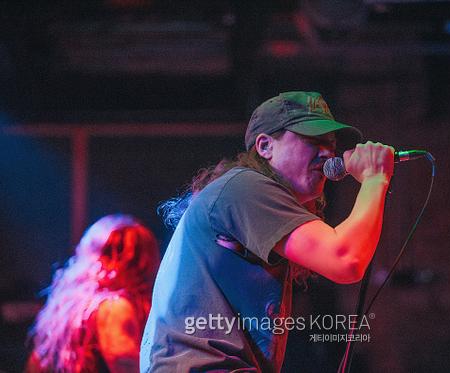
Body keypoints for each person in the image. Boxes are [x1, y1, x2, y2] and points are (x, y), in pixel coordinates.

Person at [140, 91, 394, 372]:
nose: (327, 153)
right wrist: (375, 177)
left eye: (331, 145)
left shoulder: (245, 195)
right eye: (313, 140)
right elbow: (345, 259)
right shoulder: (244, 187)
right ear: (265, 146)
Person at [26, 214, 161, 373]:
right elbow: (126, 366)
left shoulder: (67, 305)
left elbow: (36, 364)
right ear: (143, 261)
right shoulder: (115, 308)